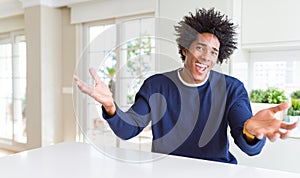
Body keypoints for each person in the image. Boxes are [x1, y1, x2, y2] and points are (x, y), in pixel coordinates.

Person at [74, 8, 298, 164]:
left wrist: (251, 131)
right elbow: (129, 128)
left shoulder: (231, 88)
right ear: (184, 49)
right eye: (200, 47)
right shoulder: (156, 85)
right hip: (166, 171)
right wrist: (111, 107)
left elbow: (247, 144)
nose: (206, 57)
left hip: (216, 171)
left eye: (214, 52)